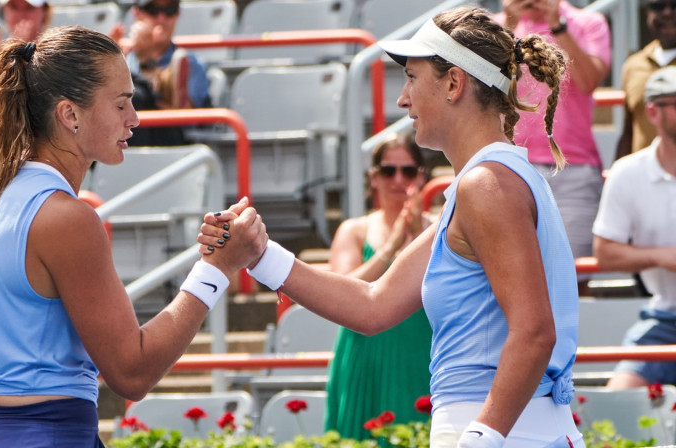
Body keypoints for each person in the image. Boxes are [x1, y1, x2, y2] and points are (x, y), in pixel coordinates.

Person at [202, 6, 582, 447]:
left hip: (503, 432)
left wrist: (483, 436)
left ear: (454, 83)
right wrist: (259, 255)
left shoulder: (487, 185)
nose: (402, 100)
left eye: (412, 78)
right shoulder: (488, 183)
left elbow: (535, 332)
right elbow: (372, 305)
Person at [0, 26, 267, 447]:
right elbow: (133, 372)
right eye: (122, 103)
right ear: (70, 114)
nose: (135, 118)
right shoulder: (66, 219)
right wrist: (217, 267)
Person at [496, 0, 610, 293]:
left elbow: (588, 82)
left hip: (573, 170)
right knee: (509, 279)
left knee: (572, 282)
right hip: (512, 165)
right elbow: (484, 83)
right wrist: (509, 22)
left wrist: (556, 23)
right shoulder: (499, 26)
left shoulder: (588, 23)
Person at [325, 132, 434, 437]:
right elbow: (340, 291)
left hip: (420, 350)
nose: (398, 179)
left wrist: (416, 239)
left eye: (408, 171)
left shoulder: (438, 228)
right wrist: (390, 249)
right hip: (365, 354)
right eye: (388, 171)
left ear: (421, 176)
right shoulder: (354, 230)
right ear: (374, 178)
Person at [593, 66, 676, 390]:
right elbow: (605, 253)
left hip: (661, 318)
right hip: (664, 318)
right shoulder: (628, 173)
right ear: (653, 112)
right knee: (618, 403)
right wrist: (662, 257)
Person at [121, 0, 210, 146]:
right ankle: (161, 83)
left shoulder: (191, 63)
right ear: (136, 13)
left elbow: (190, 122)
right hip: (124, 139)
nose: (161, 19)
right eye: (153, 10)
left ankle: (160, 85)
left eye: (170, 10)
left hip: (171, 140)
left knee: (134, 96)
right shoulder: (122, 58)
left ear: (178, 14)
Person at [615, 0, 676, 160]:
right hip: (642, 179)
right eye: (658, 6)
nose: (667, 13)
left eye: (675, 5)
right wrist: (617, 173)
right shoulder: (633, 65)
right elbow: (629, 130)